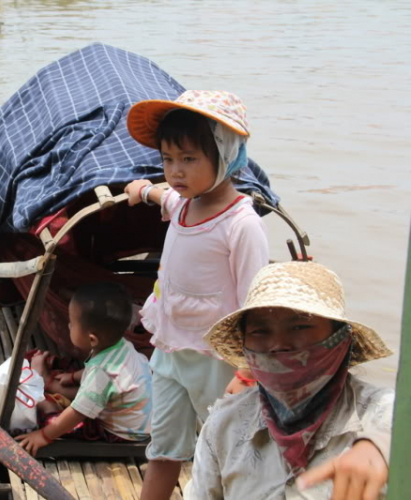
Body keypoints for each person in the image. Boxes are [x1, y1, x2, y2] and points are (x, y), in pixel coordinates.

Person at [123, 90, 269, 499]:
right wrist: (143, 189)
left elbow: (256, 305)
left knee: (227, 451)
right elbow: (164, 196)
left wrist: (247, 371)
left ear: (225, 157)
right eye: (168, 160)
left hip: (218, 361)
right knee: (163, 449)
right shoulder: (184, 204)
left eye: (189, 159)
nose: (175, 172)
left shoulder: (241, 225)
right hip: (171, 350)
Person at [187, 261, 394, 499]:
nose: (278, 345)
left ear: (340, 340)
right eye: (260, 331)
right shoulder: (224, 426)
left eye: (299, 326)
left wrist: (384, 446)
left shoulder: (380, 414)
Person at [15, 282, 152, 456]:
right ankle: (51, 384)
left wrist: (43, 436)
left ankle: (48, 405)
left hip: (121, 433)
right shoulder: (122, 346)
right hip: (135, 415)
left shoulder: (101, 373)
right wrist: (72, 377)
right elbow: (101, 380)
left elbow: (77, 413)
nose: (69, 326)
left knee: (56, 421)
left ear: (92, 339)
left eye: (72, 323)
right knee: (84, 384)